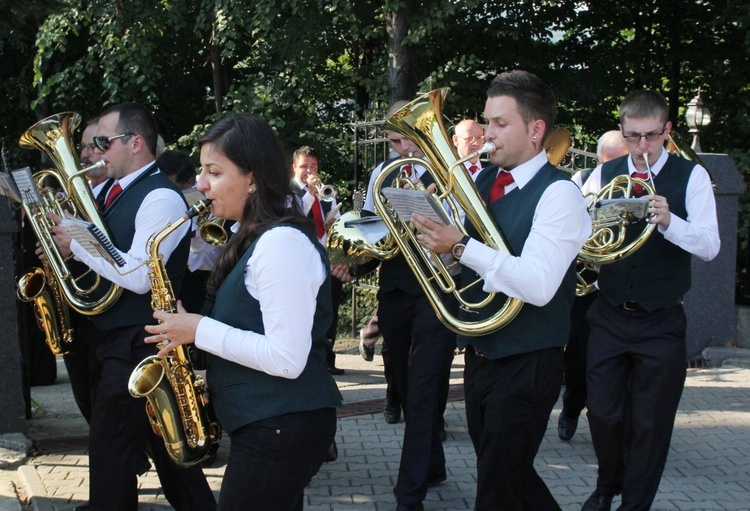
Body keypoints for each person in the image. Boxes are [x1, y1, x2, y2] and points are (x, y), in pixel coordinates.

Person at [142, 113, 342, 511]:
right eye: (202, 171)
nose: (200, 184)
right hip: (272, 424)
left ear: (252, 178)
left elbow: (287, 359)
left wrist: (199, 329)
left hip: (283, 426)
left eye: (213, 172)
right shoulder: (252, 236)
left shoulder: (281, 243)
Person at [412, 69, 591, 511]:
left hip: (530, 358)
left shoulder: (560, 194)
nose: (488, 135)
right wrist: (433, 242)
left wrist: (459, 244)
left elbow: (537, 284)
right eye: (487, 122)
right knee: (506, 477)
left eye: (500, 124)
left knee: (497, 485)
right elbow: (469, 268)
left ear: (535, 130)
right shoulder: (482, 182)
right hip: (482, 352)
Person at [49, 102, 216, 511]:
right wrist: (66, 247)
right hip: (121, 338)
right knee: (168, 454)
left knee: (109, 443)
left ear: (136, 142)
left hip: (141, 338)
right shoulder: (111, 191)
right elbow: (109, 252)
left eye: (104, 142)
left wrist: (77, 246)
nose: (97, 151)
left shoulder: (161, 196)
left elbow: (141, 273)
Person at [578, 90, 719, 511]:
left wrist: (669, 221)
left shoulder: (690, 177)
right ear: (621, 131)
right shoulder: (602, 175)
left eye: (651, 137)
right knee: (602, 413)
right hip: (607, 313)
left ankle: (633, 504)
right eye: (633, 136)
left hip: (661, 320)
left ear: (667, 131)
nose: (641, 147)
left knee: (650, 424)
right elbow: (577, 232)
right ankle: (608, 483)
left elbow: (710, 245)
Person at [361, 101, 457, 511]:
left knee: (421, 390)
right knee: (404, 381)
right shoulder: (380, 174)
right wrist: (353, 258)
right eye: (395, 139)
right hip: (397, 290)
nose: (402, 147)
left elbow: (464, 235)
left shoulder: (453, 172)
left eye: (407, 138)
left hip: (438, 289)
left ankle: (410, 492)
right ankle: (432, 464)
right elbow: (371, 226)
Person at [558, 130, 628, 442]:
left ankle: (615, 426)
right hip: (585, 284)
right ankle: (571, 408)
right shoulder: (582, 178)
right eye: (610, 161)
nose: (616, 168)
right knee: (578, 357)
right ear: (599, 159)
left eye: (621, 161)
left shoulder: (635, 185)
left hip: (619, 281)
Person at [290, 145, 350, 375]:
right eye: (304, 166)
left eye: (313, 166)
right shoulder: (288, 191)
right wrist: (310, 193)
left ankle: (327, 355)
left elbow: (338, 222)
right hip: (300, 261)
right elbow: (293, 217)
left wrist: (334, 223)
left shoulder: (326, 193)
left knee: (328, 308)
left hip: (327, 258)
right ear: (294, 167)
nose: (309, 171)